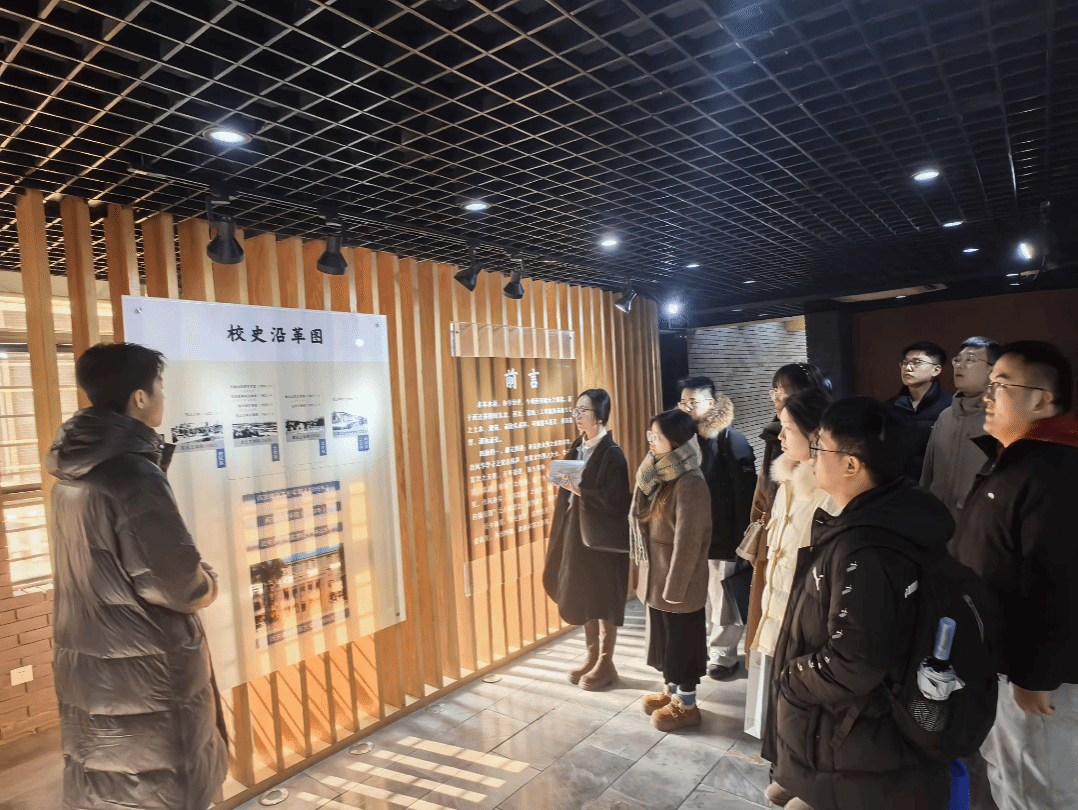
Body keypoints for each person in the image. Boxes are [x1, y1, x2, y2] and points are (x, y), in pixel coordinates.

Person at [47, 343, 228, 810]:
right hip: (147, 664)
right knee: (166, 784)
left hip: (90, 656)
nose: (163, 395)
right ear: (140, 396)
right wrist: (208, 580)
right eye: (160, 385)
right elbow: (175, 583)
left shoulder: (71, 474)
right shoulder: (132, 473)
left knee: (110, 779)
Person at [762, 398, 954, 810]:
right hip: (859, 737)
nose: (812, 457)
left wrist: (792, 676)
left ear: (851, 465)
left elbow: (854, 662)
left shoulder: (867, 547)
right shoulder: (885, 515)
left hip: (861, 744)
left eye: (820, 447)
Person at [949, 341, 1078, 810]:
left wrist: (1036, 673)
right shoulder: (1014, 459)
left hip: (1034, 676)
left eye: (1001, 385)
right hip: (1000, 660)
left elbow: (1059, 578)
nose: (987, 394)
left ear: (1042, 400)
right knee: (1009, 774)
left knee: (1038, 787)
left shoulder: (1054, 471)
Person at [748, 388, 835, 703]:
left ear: (815, 434)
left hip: (806, 627)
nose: (780, 436)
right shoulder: (786, 479)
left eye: (788, 428)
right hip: (776, 615)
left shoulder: (830, 493)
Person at [544, 388, 632, 691]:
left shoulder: (612, 453)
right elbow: (567, 489)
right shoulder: (577, 445)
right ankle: (592, 656)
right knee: (583, 592)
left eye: (584, 411)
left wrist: (580, 489)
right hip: (575, 532)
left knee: (604, 596)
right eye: (576, 410)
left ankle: (606, 663)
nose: (578, 416)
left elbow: (617, 502)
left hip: (601, 540)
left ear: (600, 416)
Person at [631, 409, 712, 732]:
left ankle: (687, 705)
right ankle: (671, 691)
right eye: (650, 435)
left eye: (657, 437)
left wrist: (676, 588)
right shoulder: (659, 474)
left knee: (682, 643)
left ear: (676, 442)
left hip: (678, 580)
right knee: (666, 641)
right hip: (658, 575)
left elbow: (689, 543)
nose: (650, 441)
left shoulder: (690, 482)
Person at [677, 375, 757, 680]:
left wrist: (741, 539)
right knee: (705, 596)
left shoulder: (730, 439)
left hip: (724, 535)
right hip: (693, 536)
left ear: (710, 403)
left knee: (724, 599)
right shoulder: (685, 438)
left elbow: (745, 494)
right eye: (683, 402)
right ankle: (710, 649)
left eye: (693, 402)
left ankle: (724, 656)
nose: (686, 408)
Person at [920, 337, 1000, 521]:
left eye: (970, 359)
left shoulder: (999, 419)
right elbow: (927, 474)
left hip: (977, 523)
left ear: (993, 370)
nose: (959, 365)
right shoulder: (945, 417)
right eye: (957, 360)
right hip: (937, 521)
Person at [889, 341, 953, 479]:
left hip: (937, 482)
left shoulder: (951, 407)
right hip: (898, 484)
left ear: (936, 370)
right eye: (905, 362)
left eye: (917, 362)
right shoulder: (890, 407)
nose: (908, 368)